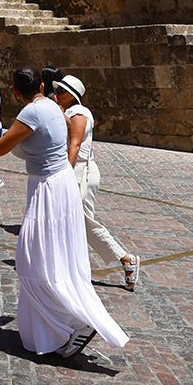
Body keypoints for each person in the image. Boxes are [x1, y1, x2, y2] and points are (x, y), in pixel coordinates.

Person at [0, 67, 128, 357]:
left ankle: (75, 321)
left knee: (33, 261)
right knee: (57, 257)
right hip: (61, 181)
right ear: (42, 86)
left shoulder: (31, 113)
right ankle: (60, 330)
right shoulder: (54, 107)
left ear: (16, 92)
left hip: (47, 187)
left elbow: (1, 147)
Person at [52, 75, 140, 291]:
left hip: (80, 172)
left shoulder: (79, 113)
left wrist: (65, 172)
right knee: (67, 221)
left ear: (71, 95)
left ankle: (126, 259)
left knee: (83, 222)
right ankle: (67, 266)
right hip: (77, 170)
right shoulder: (68, 112)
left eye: (60, 91)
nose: (56, 94)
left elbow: (74, 144)